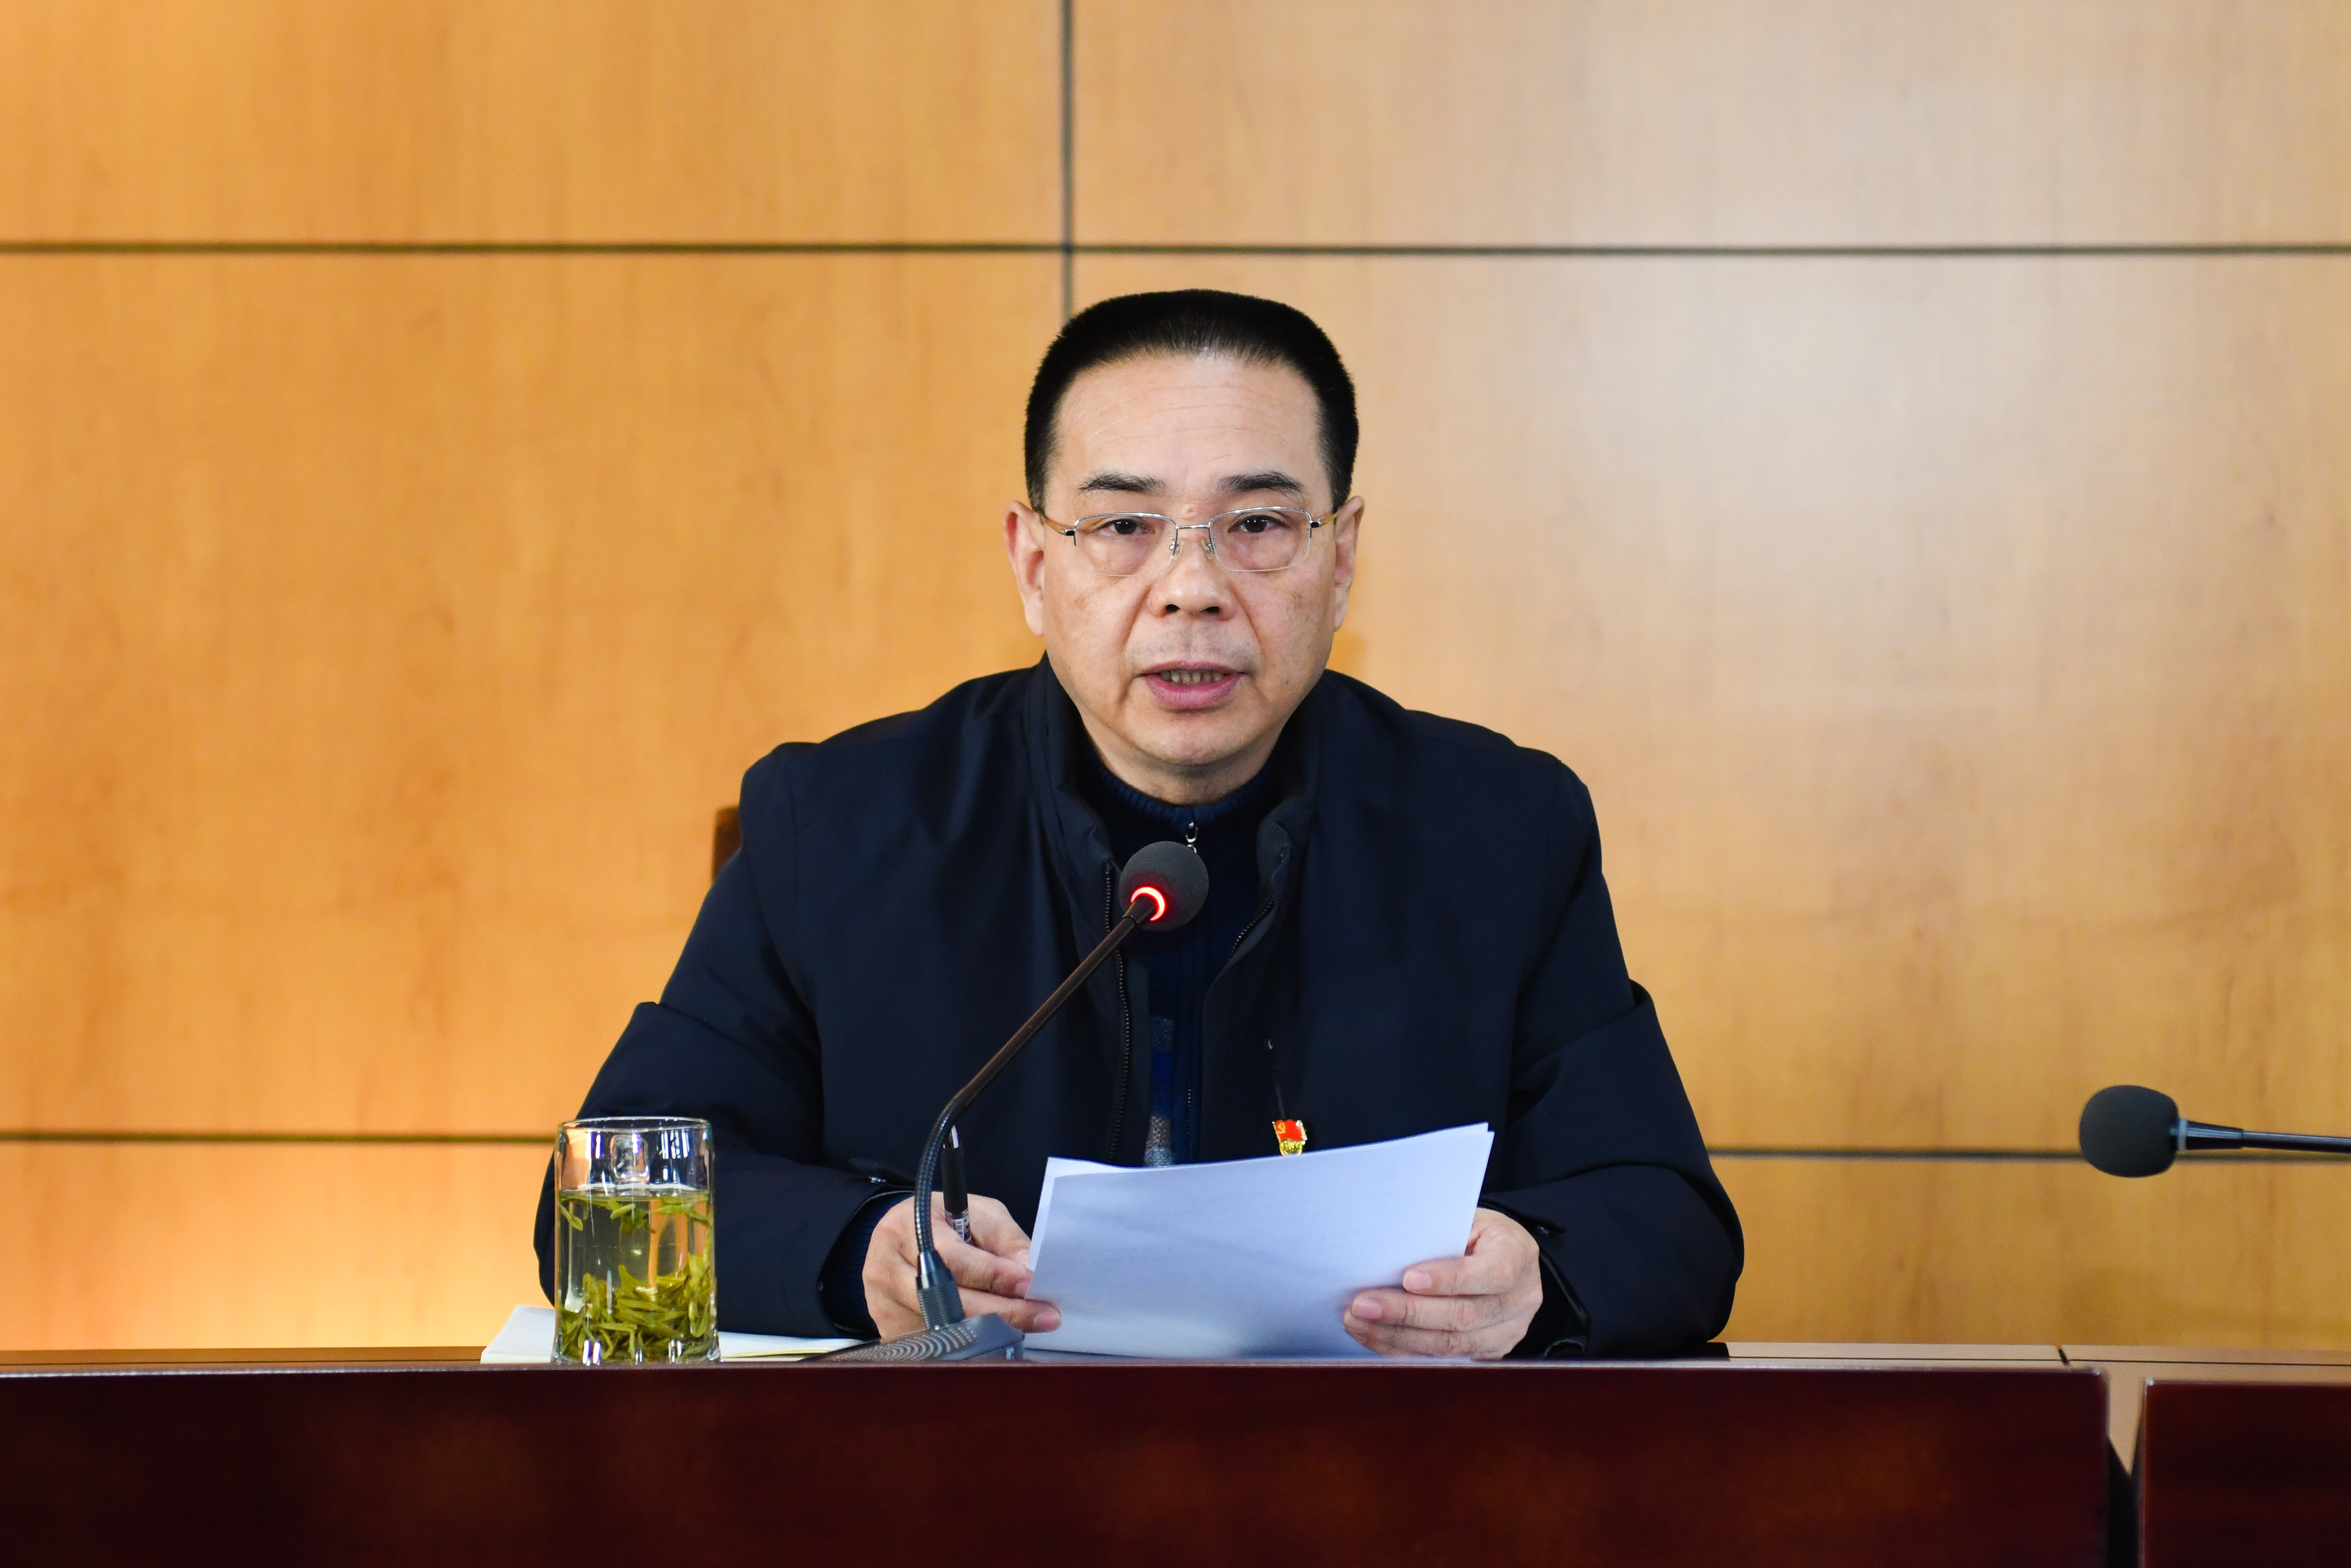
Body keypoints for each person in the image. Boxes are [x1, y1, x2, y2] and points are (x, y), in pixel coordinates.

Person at [537, 290, 1742, 1357]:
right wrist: (860, 1250)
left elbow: (1668, 1218)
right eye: (1122, 527)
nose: (1191, 587)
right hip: (959, 1490)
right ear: (1032, 563)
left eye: (1257, 524)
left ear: (1340, 560)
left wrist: (1535, 1274)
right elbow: (598, 1211)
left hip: (1364, 1488)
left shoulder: (1498, 830)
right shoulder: (840, 825)